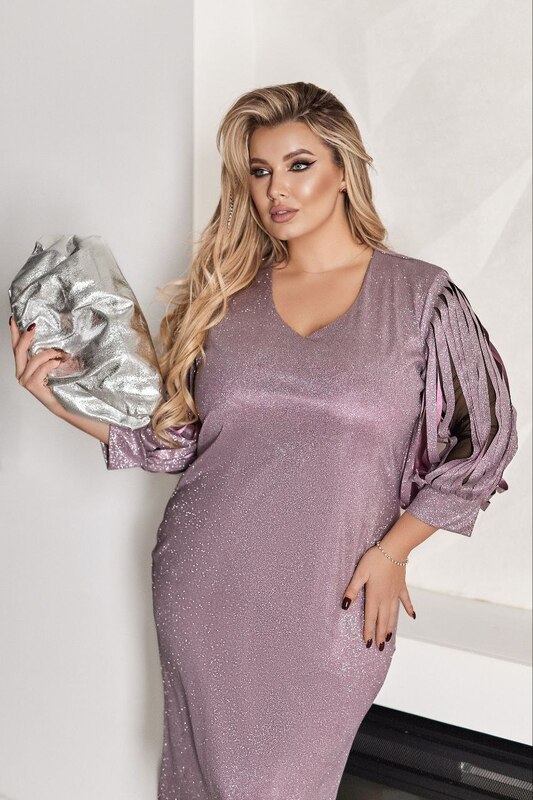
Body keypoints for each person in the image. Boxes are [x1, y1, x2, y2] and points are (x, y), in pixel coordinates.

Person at [10, 81, 519, 800]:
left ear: (343, 170)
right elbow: (177, 444)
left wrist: (393, 550)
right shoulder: (226, 299)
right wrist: (58, 398)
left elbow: (487, 439)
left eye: (298, 165)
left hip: (334, 600)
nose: (276, 188)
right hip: (205, 582)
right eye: (258, 171)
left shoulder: (419, 298)